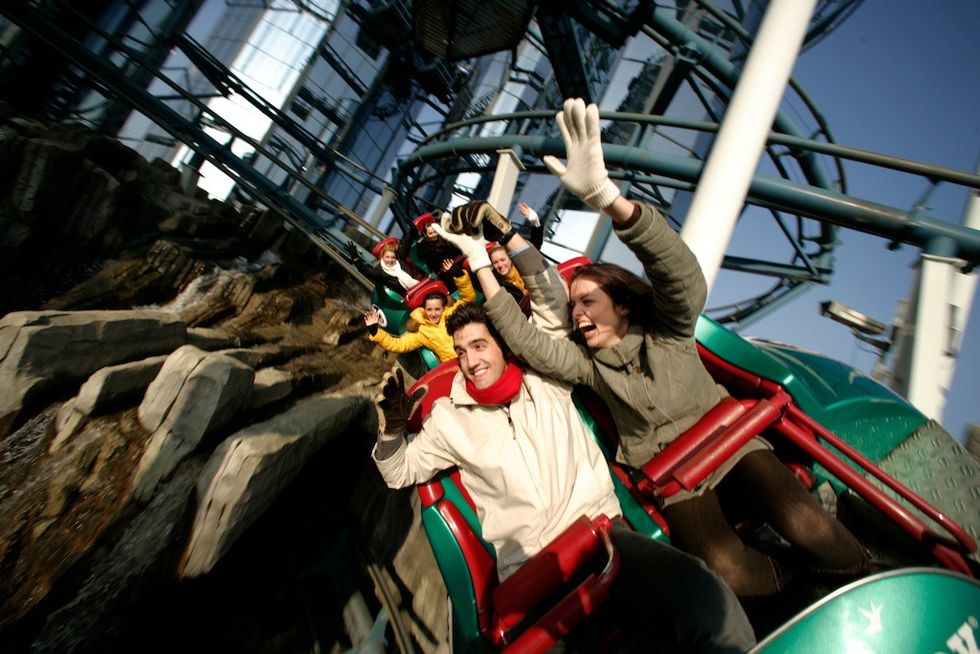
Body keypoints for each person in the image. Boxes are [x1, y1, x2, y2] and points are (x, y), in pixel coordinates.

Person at [434, 98, 868, 600]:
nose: (578, 313)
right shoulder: (589, 366)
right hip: (675, 473)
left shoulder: (668, 328)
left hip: (730, 439)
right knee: (726, 570)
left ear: (621, 304)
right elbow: (529, 342)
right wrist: (477, 263)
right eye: (574, 306)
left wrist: (608, 199)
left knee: (804, 521)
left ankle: (862, 570)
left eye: (588, 301)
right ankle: (804, 590)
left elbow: (680, 275)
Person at [371, 301, 756, 652]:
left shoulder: (546, 378)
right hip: (532, 570)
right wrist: (391, 432)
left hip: (603, 534)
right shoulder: (448, 420)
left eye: (479, 345)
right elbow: (399, 471)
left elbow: (552, 308)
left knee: (704, 598)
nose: (470, 361)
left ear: (503, 345)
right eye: (461, 352)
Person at [363, 267, 477, 363]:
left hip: (475, 354)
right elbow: (398, 345)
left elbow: (469, 298)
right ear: (424, 310)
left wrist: (459, 275)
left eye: (437, 309)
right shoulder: (421, 331)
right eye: (429, 310)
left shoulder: (452, 312)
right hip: (454, 364)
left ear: (443, 308)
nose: (433, 314)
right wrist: (375, 331)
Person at [346, 238, 420, 295]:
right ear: (382, 257)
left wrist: (412, 230)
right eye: (387, 257)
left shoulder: (399, 260)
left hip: (418, 285)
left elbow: (406, 244)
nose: (390, 260)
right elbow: (367, 272)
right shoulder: (380, 271)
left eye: (392, 257)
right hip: (407, 295)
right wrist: (356, 258)